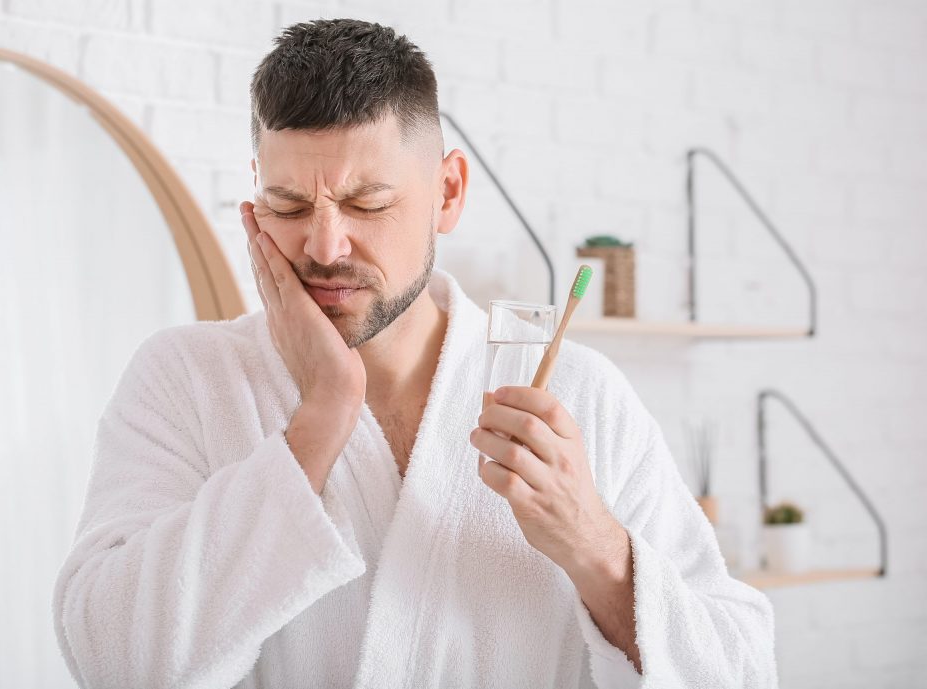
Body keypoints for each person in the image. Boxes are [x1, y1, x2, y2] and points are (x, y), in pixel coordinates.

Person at [52, 18, 779, 689]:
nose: (325, 246)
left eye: (367, 203)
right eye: (289, 205)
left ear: (448, 191)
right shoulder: (185, 380)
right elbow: (114, 661)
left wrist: (594, 545)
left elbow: (741, 670)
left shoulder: (581, 395)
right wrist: (318, 421)